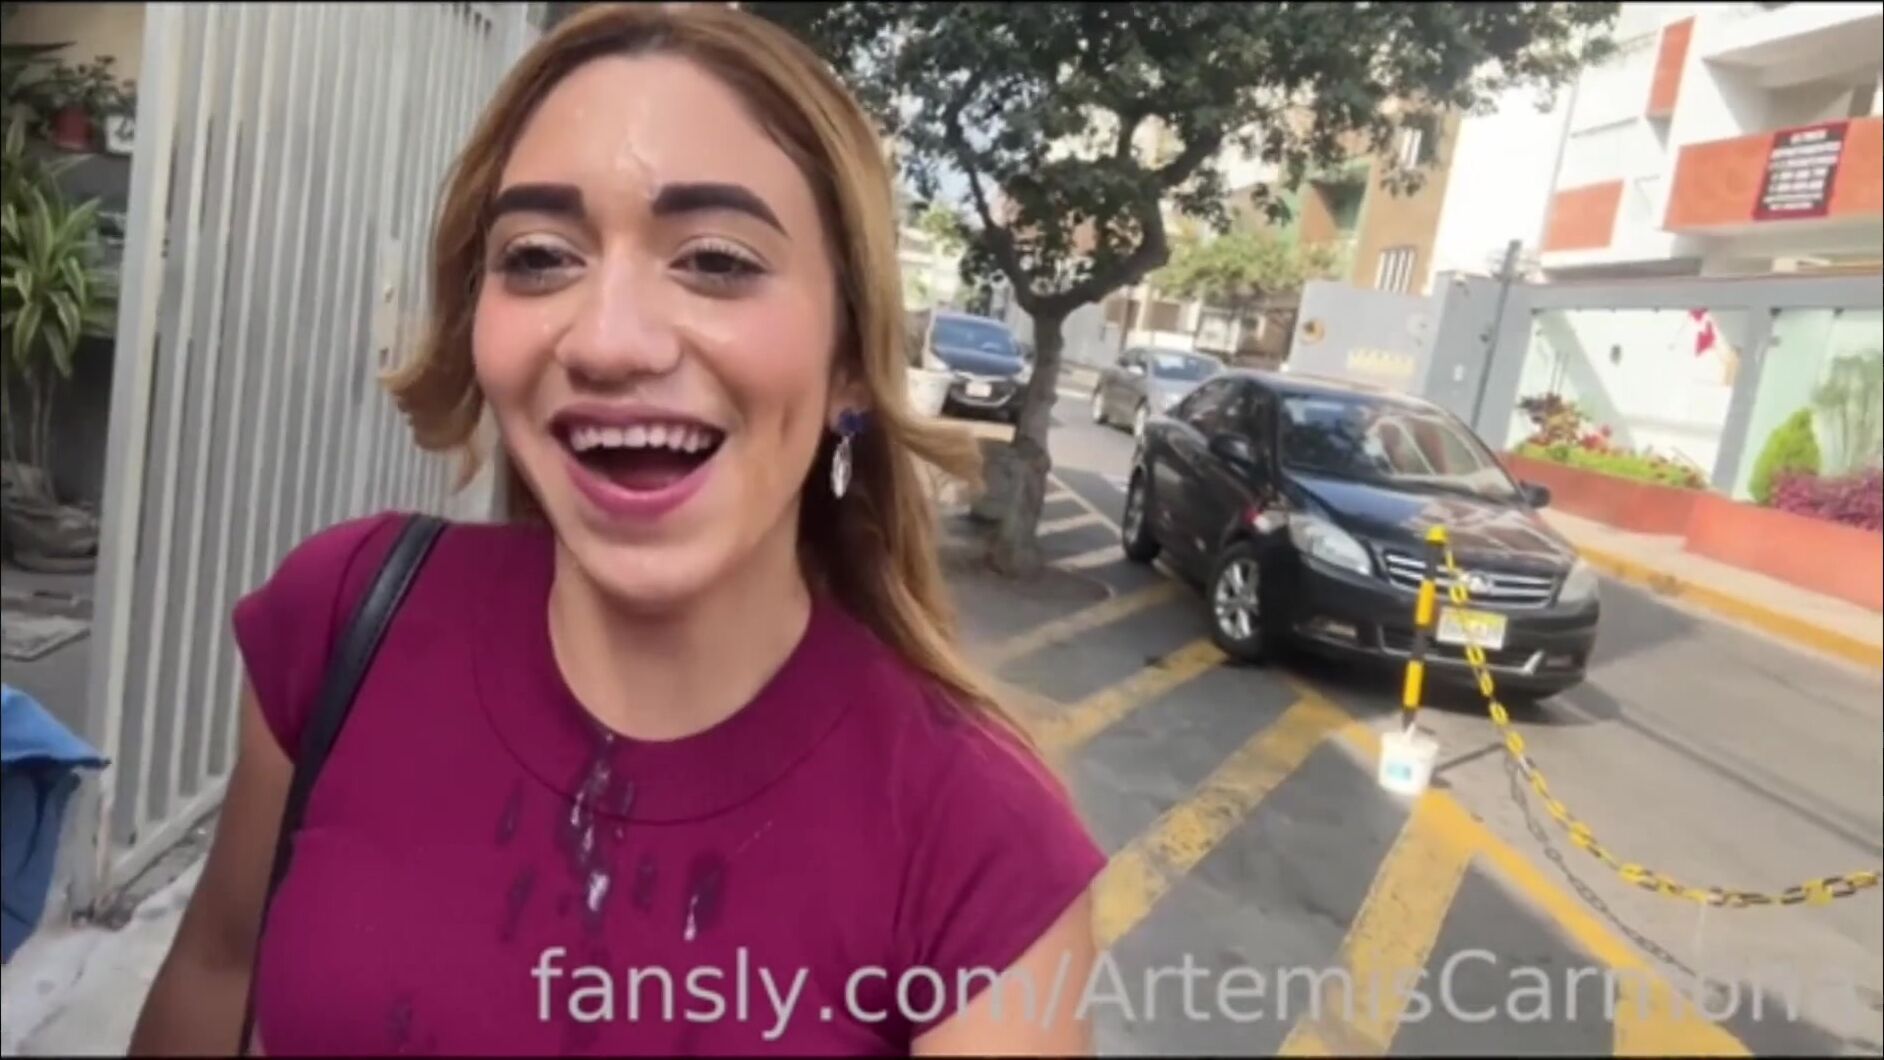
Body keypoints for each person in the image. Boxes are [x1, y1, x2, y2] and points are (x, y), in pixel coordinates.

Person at [129, 3, 1104, 1055]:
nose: (606, 341)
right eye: (539, 257)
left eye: (716, 260)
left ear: (850, 363)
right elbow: (214, 968)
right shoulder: (345, 618)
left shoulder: (981, 850)